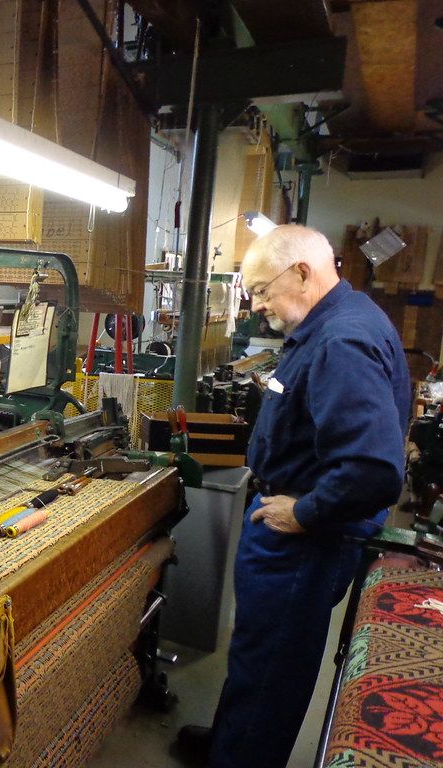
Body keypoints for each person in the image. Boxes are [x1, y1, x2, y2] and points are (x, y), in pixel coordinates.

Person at [176, 224, 410, 767]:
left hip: (305, 541)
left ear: (302, 273)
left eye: (260, 290)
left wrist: (305, 512)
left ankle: (241, 758)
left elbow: (373, 471)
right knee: (258, 650)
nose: (257, 306)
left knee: (273, 663)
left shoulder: (340, 342)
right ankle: (232, 741)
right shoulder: (335, 322)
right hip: (296, 527)